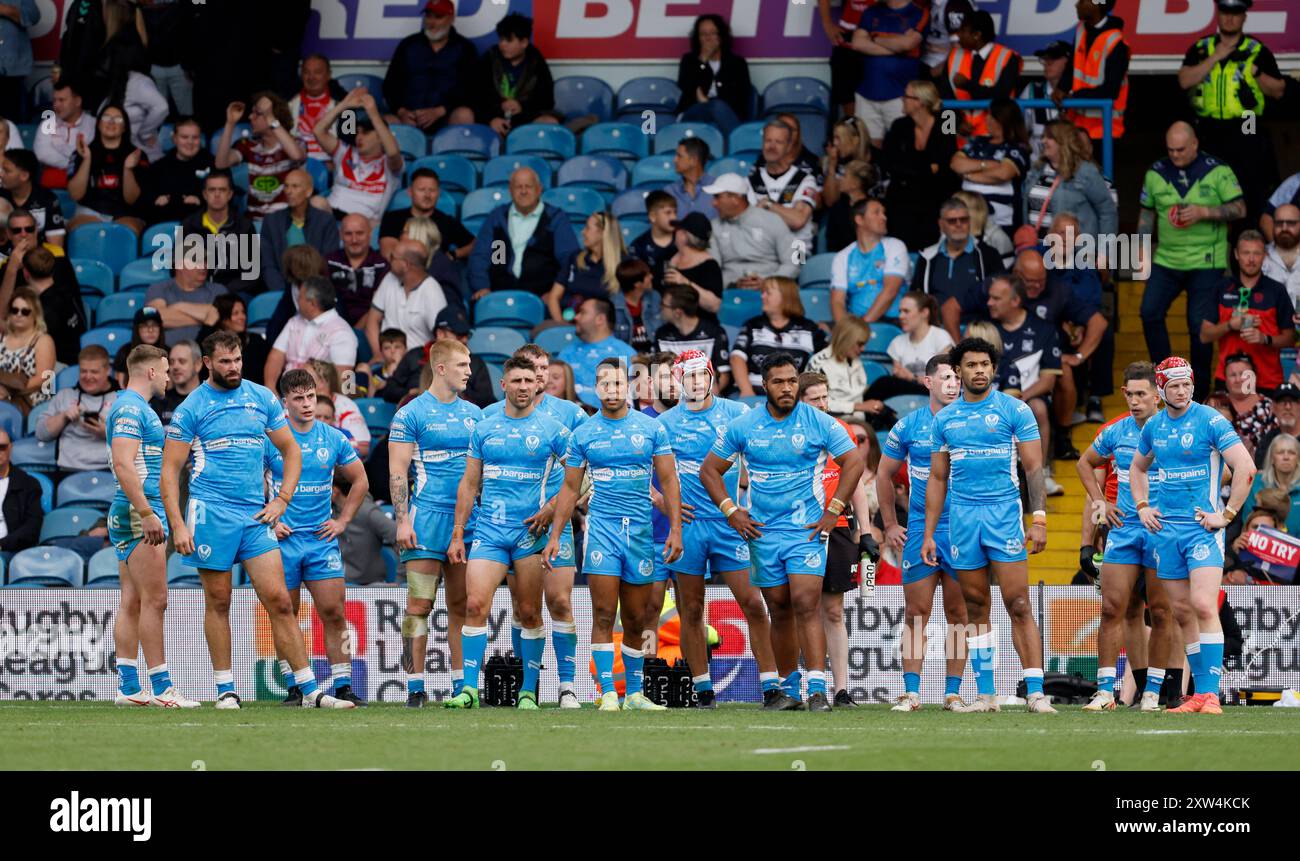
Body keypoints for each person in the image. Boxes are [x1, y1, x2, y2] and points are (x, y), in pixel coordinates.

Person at [160, 331, 352, 709]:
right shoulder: (191, 407)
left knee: (280, 601)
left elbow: (290, 451)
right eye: (225, 362)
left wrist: (282, 499)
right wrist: (178, 524)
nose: (233, 368)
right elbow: (170, 471)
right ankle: (226, 689)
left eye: (238, 360)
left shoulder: (261, 397)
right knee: (219, 601)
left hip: (254, 515)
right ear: (207, 363)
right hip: (210, 512)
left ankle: (310, 691)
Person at [700, 352, 863, 711]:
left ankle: (818, 688)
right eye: (779, 382)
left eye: (792, 381)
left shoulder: (819, 422)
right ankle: (789, 689)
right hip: (762, 533)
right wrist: (732, 512)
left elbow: (855, 462)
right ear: (764, 385)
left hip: (805, 530)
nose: (787, 388)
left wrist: (832, 510)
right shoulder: (745, 425)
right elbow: (709, 470)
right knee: (780, 608)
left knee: (807, 602)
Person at [540, 357, 682, 712]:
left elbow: (668, 480)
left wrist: (676, 528)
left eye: (619, 384)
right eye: (606, 384)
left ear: (629, 387)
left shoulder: (652, 430)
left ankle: (634, 693)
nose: (613, 390)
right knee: (604, 614)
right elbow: (570, 489)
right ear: (596, 388)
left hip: (640, 533)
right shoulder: (584, 433)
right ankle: (607, 692)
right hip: (602, 532)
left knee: (637, 617)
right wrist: (557, 535)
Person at [922, 336, 1054, 712]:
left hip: (1004, 517)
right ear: (958, 371)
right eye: (971, 365)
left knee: (1018, 603)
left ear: (993, 370)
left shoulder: (1015, 410)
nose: (979, 370)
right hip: (962, 521)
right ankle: (986, 695)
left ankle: (1036, 693)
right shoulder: (944, 419)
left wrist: (1039, 519)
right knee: (975, 606)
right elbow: (937, 478)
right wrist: (930, 534)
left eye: (985, 365)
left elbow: (1032, 468)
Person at [1129, 356, 1257, 714]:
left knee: (1203, 604)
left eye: (1187, 383)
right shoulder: (1154, 426)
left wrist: (1227, 515)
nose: (1182, 391)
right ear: (1161, 389)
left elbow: (1246, 467)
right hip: (1166, 531)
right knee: (1182, 612)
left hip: (1202, 530)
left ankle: (1211, 694)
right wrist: (1142, 506)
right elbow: (1137, 469)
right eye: (1174, 385)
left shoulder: (1210, 420)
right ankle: (1199, 694)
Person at [443, 356, 569, 711]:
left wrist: (552, 508)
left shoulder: (552, 428)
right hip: (489, 532)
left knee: (529, 611)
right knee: (474, 604)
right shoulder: (484, 427)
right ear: (504, 385)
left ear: (537, 384)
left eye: (530, 381)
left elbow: (581, 478)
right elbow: (468, 484)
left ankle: (529, 691)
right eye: (516, 381)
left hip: (530, 535)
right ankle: (468, 689)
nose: (524, 387)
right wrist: (457, 533)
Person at [658, 349, 777, 706]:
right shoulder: (665, 424)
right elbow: (637, 471)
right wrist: (662, 502)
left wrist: (748, 485)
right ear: (679, 381)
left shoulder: (737, 413)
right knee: (691, 610)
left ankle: (771, 684)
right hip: (690, 526)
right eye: (689, 376)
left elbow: (762, 450)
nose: (696, 382)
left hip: (730, 523)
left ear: (711, 375)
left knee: (753, 603)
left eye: (701, 374)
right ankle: (702, 687)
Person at [481, 344, 586, 704]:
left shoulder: (570, 414)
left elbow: (585, 472)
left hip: (556, 524)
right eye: (531, 368)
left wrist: (554, 507)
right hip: (513, 526)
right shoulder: (494, 414)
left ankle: (568, 686)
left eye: (544, 368)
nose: (539, 374)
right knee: (523, 606)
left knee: (559, 600)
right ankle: (530, 686)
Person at [1076, 362, 1180, 712]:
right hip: (1124, 531)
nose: (1135, 401)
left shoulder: (1176, 430)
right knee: (1111, 608)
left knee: (1162, 611)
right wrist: (1100, 500)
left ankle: (1153, 692)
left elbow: (1218, 470)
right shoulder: (1116, 431)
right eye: (1130, 394)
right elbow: (1083, 464)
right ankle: (1105, 691)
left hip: (1161, 530)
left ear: (1158, 395)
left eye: (1141, 394)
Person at [264, 369, 369, 706]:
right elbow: (251, 483)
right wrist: (269, 521)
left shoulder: (333, 437)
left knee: (334, 612)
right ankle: (296, 685)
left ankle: (343, 685)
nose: (307, 404)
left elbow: (360, 481)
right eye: (299, 398)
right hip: (283, 540)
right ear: (285, 402)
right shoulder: (272, 439)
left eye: (310, 397)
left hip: (321, 539)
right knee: (285, 612)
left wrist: (343, 521)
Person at [104, 344, 200, 708]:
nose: (168, 375)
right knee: (155, 600)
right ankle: (162, 689)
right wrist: (146, 513)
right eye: (163, 369)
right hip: (136, 511)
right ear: (149, 373)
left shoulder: (129, 406)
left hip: (127, 509)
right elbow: (125, 464)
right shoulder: (131, 408)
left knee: (132, 600)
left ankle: (129, 688)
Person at [387, 339, 482, 705]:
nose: (469, 371)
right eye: (462, 365)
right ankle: (415, 688)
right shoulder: (410, 414)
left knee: (463, 605)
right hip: (425, 520)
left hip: (467, 524)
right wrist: (401, 521)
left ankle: (462, 688)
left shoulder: (476, 414)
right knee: (419, 606)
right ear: (440, 368)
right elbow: (398, 471)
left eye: (469, 364)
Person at [877, 351, 970, 710]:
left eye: (957, 378)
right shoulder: (909, 425)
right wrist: (888, 523)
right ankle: (911, 692)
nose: (953, 384)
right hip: (919, 529)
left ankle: (953, 693)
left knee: (959, 615)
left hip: (962, 529)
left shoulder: (971, 422)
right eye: (946, 377)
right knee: (917, 613)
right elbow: (884, 474)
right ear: (928, 382)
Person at [1139, 121, 1245, 402]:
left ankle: (1196, 393)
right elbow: (1147, 214)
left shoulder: (1217, 170)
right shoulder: (1156, 172)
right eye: (1170, 149)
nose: (1175, 155)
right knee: (1149, 311)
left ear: (1195, 144)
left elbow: (1240, 208)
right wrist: (1140, 248)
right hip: (1167, 260)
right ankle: (1165, 378)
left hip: (1206, 262)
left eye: (1181, 149)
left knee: (1199, 327)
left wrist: (1204, 211)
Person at [798, 372, 876, 707]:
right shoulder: (788, 431)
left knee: (833, 611)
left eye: (825, 397)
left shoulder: (839, 430)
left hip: (838, 525)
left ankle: (841, 689)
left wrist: (866, 529)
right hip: (796, 528)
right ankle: (796, 686)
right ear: (800, 400)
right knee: (797, 608)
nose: (822, 404)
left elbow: (855, 479)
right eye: (814, 399)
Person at [1179, 0, 1287, 228]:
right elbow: (1184, 80)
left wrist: (1256, 74)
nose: (1230, 18)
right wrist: (1215, 57)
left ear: (1244, 17)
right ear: (1218, 15)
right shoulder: (1202, 48)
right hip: (1210, 129)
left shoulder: (1257, 50)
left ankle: (1245, 248)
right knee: (1206, 191)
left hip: (1246, 125)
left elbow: (1278, 91)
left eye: (1236, 13)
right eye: (1225, 12)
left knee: (1249, 193)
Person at [986, 274, 1065, 495]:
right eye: (989, 297)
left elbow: (1049, 381)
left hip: (1029, 396)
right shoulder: (987, 328)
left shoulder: (1044, 330)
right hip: (989, 396)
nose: (989, 303)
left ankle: (1041, 474)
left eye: (996, 298)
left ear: (1015, 301)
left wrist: (1021, 397)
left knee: (1038, 408)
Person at [1201, 230, 1294, 394]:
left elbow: (1291, 338)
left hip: (1268, 381)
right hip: (1228, 379)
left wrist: (1265, 338)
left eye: (1256, 253)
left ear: (1265, 255)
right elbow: (1204, 335)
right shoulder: (1221, 288)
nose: (1251, 259)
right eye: (1246, 253)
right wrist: (1230, 325)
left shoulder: (1277, 290)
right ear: (1236, 254)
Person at [467, 167, 579, 301]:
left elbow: (569, 260)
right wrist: (482, 287)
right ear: (510, 190)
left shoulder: (555, 219)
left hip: (542, 297)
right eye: (518, 187)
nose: (523, 191)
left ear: (539, 189)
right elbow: (481, 256)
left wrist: (555, 294)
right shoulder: (497, 218)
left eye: (528, 186)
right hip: (498, 296)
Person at [880, 79, 959, 251]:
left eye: (906, 96)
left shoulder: (948, 118)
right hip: (902, 198)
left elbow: (947, 163)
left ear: (920, 102)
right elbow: (889, 164)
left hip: (937, 197)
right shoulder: (899, 125)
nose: (902, 99)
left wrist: (910, 168)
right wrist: (928, 168)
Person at [911, 196, 1004, 340]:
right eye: (952, 221)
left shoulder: (988, 255)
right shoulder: (927, 257)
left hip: (977, 331)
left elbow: (1001, 295)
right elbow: (916, 297)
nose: (959, 224)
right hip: (935, 331)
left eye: (964, 219)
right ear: (941, 224)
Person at [312, 88, 404, 226]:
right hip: (332, 217)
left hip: (364, 223)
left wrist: (373, 113)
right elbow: (318, 131)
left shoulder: (390, 165)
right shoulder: (345, 152)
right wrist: (344, 105)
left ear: (380, 137)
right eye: (357, 132)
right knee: (316, 203)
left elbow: (392, 152)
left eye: (366, 132)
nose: (359, 137)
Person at [382, 0, 477, 132]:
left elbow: (471, 88)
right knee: (384, 122)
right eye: (428, 16)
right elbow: (390, 85)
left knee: (464, 115)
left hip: (446, 116)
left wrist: (440, 110)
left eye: (438, 17)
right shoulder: (408, 45)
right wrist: (401, 111)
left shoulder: (465, 48)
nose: (431, 22)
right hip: (409, 117)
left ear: (451, 18)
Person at [1021, 120, 1118, 247]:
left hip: (1075, 255)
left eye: (1050, 137)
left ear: (1063, 141)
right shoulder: (1037, 170)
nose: (1043, 141)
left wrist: (1104, 253)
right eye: (1043, 136)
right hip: (1038, 252)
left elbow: (1107, 212)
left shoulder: (1085, 172)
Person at [214, 93, 306, 222]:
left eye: (257, 113)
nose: (250, 117)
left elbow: (296, 155)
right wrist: (230, 123)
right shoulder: (248, 145)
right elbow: (221, 163)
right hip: (254, 221)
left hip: (286, 221)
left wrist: (271, 118)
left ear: (273, 116)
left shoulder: (295, 142)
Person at [731, 277, 827, 397]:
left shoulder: (809, 328)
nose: (762, 296)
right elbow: (737, 358)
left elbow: (828, 360)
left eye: (768, 293)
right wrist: (747, 392)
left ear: (785, 297)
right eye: (763, 292)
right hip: (755, 393)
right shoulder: (752, 325)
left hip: (792, 398)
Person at [851, 0, 928, 148]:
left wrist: (874, 37)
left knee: (904, 147)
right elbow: (857, 43)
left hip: (901, 96)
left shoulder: (918, 13)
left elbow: (908, 44)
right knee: (868, 149)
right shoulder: (870, 12)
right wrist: (896, 48)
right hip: (867, 93)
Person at [705, 173, 799, 290]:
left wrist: (769, 282)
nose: (713, 203)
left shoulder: (773, 219)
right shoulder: (713, 226)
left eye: (717, 197)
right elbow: (711, 270)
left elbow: (796, 259)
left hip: (771, 290)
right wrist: (731, 284)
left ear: (735, 199)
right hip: (731, 293)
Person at [1054, 0, 1130, 141]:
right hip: (1078, 128)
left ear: (1097, 4)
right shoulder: (1081, 30)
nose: (1077, 4)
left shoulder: (1117, 43)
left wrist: (1075, 96)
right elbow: (1073, 65)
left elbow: (1111, 90)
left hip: (1105, 131)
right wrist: (1061, 88)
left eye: (1082, 1)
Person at [950, 97, 1030, 231]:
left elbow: (1003, 173)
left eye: (991, 116)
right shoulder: (978, 141)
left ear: (1003, 120)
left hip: (1000, 223)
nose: (987, 119)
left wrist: (969, 175)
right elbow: (956, 163)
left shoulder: (1017, 147)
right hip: (967, 217)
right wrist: (987, 165)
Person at [472, 12, 558, 136]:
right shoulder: (490, 58)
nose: (503, 44)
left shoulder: (535, 60)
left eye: (509, 40)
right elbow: (476, 94)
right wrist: (491, 118)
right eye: (501, 39)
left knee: (550, 123)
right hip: (494, 118)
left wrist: (522, 106)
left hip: (525, 118)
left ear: (524, 42)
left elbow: (547, 100)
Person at [37, 344, 118, 475]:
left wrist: (108, 432)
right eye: (83, 371)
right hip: (68, 470)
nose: (87, 376)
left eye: (94, 372)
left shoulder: (123, 400)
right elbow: (41, 434)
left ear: (107, 370)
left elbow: (141, 441)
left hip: (109, 471)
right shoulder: (64, 395)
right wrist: (63, 417)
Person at [1, 243, 86, 367]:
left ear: (26, 273)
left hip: (54, 367)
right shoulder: (67, 294)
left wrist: (11, 268)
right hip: (71, 363)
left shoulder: (41, 311)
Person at [260, 169, 341, 297]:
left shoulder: (325, 221)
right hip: (280, 291)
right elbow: (268, 265)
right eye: (286, 186)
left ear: (308, 191)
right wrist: (283, 293)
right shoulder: (271, 221)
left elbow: (328, 262)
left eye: (295, 186)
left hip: (315, 292)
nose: (289, 191)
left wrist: (309, 293)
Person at [67, 104, 146, 236]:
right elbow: (75, 195)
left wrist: (128, 169)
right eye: (106, 117)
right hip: (89, 211)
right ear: (98, 124)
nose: (111, 122)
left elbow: (132, 199)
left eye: (118, 119)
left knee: (126, 232)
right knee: (82, 231)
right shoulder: (81, 152)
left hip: (126, 214)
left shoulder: (137, 155)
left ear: (125, 127)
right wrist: (87, 160)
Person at [830, 197, 910, 325]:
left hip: (893, 321)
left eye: (884, 213)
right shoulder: (842, 256)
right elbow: (837, 301)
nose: (884, 217)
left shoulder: (895, 246)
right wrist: (845, 330)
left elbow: (890, 290)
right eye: (877, 212)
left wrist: (862, 326)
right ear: (859, 220)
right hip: (855, 323)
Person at [264, 276, 357, 386]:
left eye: (300, 297)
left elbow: (343, 380)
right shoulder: (294, 321)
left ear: (312, 304)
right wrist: (270, 388)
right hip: (287, 392)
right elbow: (276, 356)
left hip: (318, 397)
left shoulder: (342, 332)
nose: (297, 299)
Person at [942, 10, 1021, 137]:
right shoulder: (954, 56)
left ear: (977, 35)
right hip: (957, 140)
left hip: (994, 140)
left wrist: (968, 85)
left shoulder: (1007, 57)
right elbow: (944, 97)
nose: (958, 36)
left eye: (963, 31)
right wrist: (954, 125)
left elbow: (1001, 95)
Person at [178, 169, 259, 288]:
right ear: (205, 194)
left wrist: (223, 292)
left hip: (232, 295)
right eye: (212, 190)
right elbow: (178, 267)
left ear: (230, 194)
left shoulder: (244, 226)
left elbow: (253, 273)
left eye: (222, 190)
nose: (217, 194)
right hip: (197, 292)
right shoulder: (189, 226)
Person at [366, 238, 448, 354]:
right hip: (386, 360)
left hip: (417, 364)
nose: (389, 260)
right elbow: (372, 321)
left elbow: (443, 339)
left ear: (406, 264)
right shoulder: (389, 278)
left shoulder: (432, 292)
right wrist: (378, 355)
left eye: (393, 257)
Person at [674, 14, 750, 135]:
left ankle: (738, 141)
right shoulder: (689, 60)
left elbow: (742, 96)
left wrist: (709, 101)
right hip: (693, 111)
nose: (708, 38)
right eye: (703, 34)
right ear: (698, 38)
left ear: (721, 36)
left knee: (716, 106)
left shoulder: (737, 63)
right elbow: (686, 88)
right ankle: (741, 139)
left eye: (713, 33)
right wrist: (703, 61)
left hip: (725, 112)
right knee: (714, 106)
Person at [749, 120, 819, 248]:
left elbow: (798, 220)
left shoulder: (805, 180)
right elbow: (748, 223)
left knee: (793, 265)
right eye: (768, 141)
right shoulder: (750, 181)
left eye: (778, 142)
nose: (772, 146)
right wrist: (785, 213)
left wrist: (768, 204)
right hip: (764, 250)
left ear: (788, 146)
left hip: (798, 249)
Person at [379, 168, 474, 261]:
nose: (427, 195)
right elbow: (388, 253)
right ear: (410, 192)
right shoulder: (392, 218)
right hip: (401, 272)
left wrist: (454, 254)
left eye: (432, 190)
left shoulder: (447, 222)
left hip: (437, 274)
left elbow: (476, 245)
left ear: (438, 193)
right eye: (421, 190)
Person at [558, 296, 637, 407]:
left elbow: (634, 399)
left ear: (600, 319)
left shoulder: (627, 354)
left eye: (582, 312)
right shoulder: (567, 353)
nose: (576, 317)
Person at [546, 210, 623, 324]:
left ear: (602, 233)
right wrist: (561, 327)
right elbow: (553, 297)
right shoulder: (575, 257)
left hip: (600, 327)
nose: (583, 232)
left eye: (587, 228)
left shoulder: (622, 264)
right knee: (539, 331)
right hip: (568, 322)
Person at [653, 284, 730, 393]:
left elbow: (723, 375)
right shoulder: (661, 334)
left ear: (677, 312)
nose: (660, 308)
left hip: (705, 395)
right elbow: (657, 372)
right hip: (673, 397)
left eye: (663, 305)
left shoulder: (714, 332)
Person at [141, 117, 216, 226]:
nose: (190, 142)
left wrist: (201, 200)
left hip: (201, 226)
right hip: (166, 227)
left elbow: (224, 196)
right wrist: (156, 200)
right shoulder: (159, 167)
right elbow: (146, 201)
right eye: (184, 137)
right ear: (174, 139)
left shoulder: (212, 164)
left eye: (195, 137)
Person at [807, 316, 879, 422]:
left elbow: (855, 394)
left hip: (859, 424)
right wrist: (857, 406)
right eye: (860, 344)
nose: (863, 349)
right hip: (830, 425)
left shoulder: (855, 360)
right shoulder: (819, 363)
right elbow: (814, 402)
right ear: (846, 339)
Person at [328, 213, 390, 329]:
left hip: (369, 328)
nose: (354, 240)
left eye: (360, 233)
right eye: (348, 234)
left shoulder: (382, 265)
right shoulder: (329, 262)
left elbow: (379, 307)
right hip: (333, 326)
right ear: (340, 235)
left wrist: (354, 332)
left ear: (370, 234)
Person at [145, 258, 226, 345]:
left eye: (205, 261)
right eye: (196, 261)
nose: (204, 266)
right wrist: (207, 319)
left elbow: (223, 315)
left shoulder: (218, 290)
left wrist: (180, 306)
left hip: (206, 354)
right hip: (165, 354)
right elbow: (155, 319)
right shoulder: (158, 289)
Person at [0, 286, 55, 413]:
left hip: (31, 400)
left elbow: (45, 378)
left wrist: (8, 390)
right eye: (15, 310)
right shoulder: (1, 337)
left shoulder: (43, 340)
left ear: (35, 314)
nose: (19, 315)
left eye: (25, 311)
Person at [196, 295, 270, 390]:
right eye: (235, 313)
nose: (242, 317)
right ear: (223, 318)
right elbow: (197, 357)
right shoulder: (211, 342)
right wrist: (207, 325)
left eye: (243, 312)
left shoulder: (255, 340)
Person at [35, 79, 97, 189]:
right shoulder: (47, 123)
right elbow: (43, 154)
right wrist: (75, 162)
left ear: (77, 101)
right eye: (54, 100)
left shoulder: (93, 124)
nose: (56, 105)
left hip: (86, 186)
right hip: (51, 187)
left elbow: (95, 157)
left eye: (61, 100)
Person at [0, 149, 67, 248]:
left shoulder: (47, 199)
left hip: (37, 258)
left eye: (7, 171)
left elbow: (56, 247)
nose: (1, 174)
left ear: (24, 176)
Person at [305, 358, 370, 458]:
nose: (299, 382)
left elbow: (362, 447)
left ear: (322, 382)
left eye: (305, 377)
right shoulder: (296, 402)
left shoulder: (345, 405)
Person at [662, 211, 722, 319]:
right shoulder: (668, 257)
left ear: (685, 235)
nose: (675, 232)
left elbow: (714, 305)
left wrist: (684, 282)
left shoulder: (709, 266)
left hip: (701, 328)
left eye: (678, 229)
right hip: (670, 325)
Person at [1240, 433, 1300, 537]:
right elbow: (1247, 521)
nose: (1286, 457)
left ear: (1298, 459)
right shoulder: (1256, 484)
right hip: (1261, 547)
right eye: (1280, 452)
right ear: (1272, 458)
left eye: (1291, 453)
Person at [288, 54, 341, 164]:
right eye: (307, 72)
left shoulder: (346, 107)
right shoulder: (289, 104)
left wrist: (335, 162)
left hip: (331, 163)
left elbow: (350, 142)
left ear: (328, 75)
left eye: (317, 72)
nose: (311, 77)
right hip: (297, 164)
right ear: (301, 75)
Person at [1021, 41, 1070, 159]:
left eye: (1053, 59)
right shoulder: (1032, 90)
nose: (1047, 63)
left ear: (1068, 62)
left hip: (1071, 165)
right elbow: (1020, 130)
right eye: (1045, 59)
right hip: (1037, 166)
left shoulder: (1080, 92)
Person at [1221, 352, 1276, 456]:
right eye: (1232, 375)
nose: (1238, 380)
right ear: (1226, 380)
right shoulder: (1216, 402)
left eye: (1243, 374)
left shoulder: (1269, 407)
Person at [0, 427, 42, 558]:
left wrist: (2, 544)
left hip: (11, 552)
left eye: (2, 447)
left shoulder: (28, 484)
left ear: (10, 448)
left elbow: (32, 527)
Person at [627, 191, 677, 296]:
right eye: (668, 213)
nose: (674, 218)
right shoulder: (638, 246)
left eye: (675, 212)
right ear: (653, 217)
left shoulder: (683, 241)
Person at [822, 117, 874, 211]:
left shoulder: (879, 161)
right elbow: (830, 201)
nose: (835, 143)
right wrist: (831, 167)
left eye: (838, 138)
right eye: (834, 138)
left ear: (855, 140)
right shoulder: (837, 161)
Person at [113, 305, 166, 386]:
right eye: (145, 325)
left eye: (155, 325)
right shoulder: (125, 352)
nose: (150, 330)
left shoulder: (168, 352)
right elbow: (121, 386)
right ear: (137, 329)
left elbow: (170, 388)